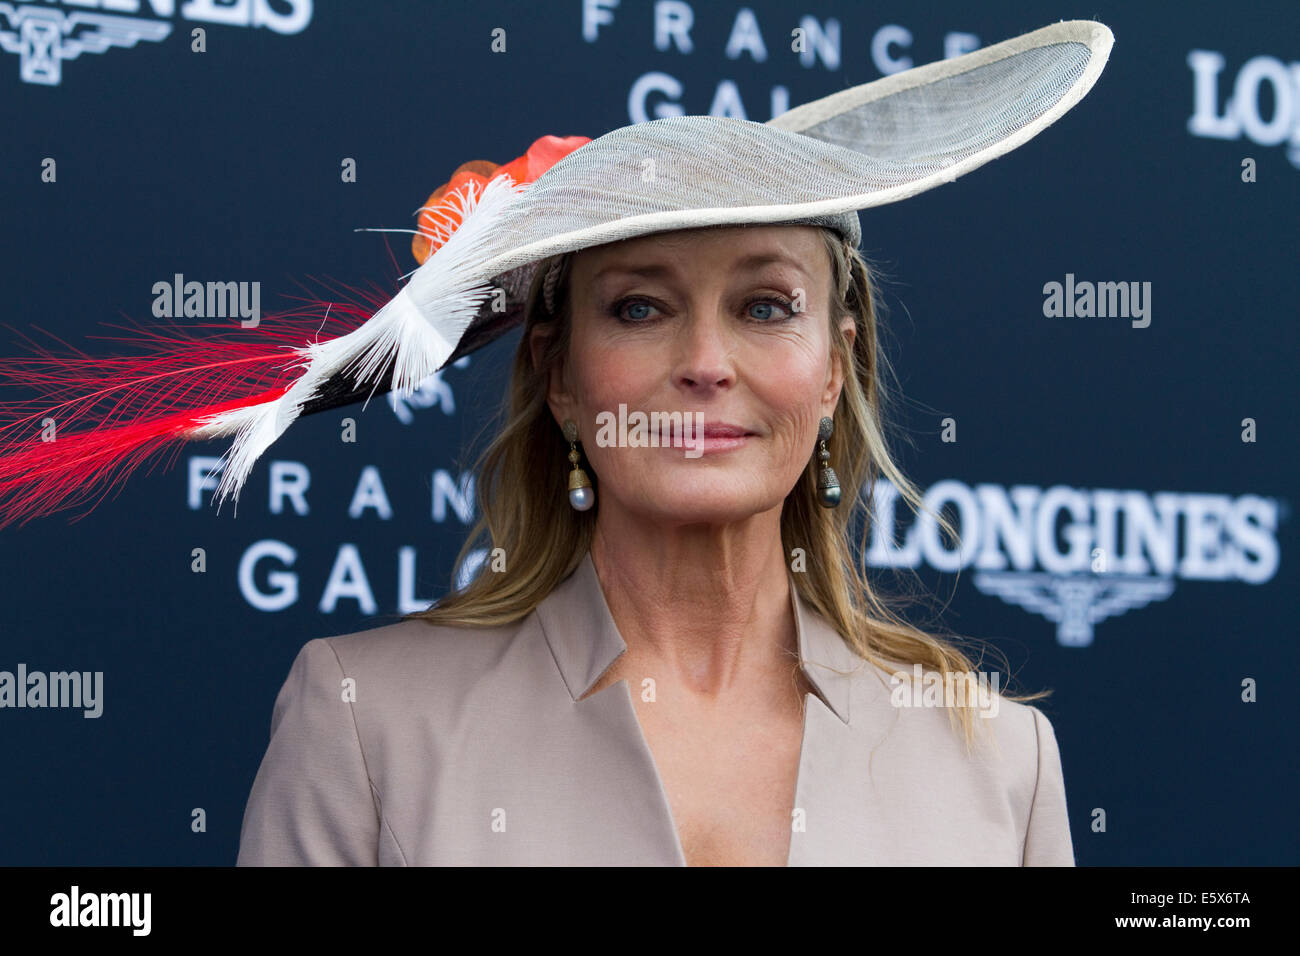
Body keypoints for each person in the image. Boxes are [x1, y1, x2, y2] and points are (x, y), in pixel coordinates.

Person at [234, 218, 1077, 865]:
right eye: (640, 307)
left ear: (833, 373)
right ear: (560, 377)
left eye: (764, 308)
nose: (706, 362)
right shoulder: (362, 717)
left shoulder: (998, 755)